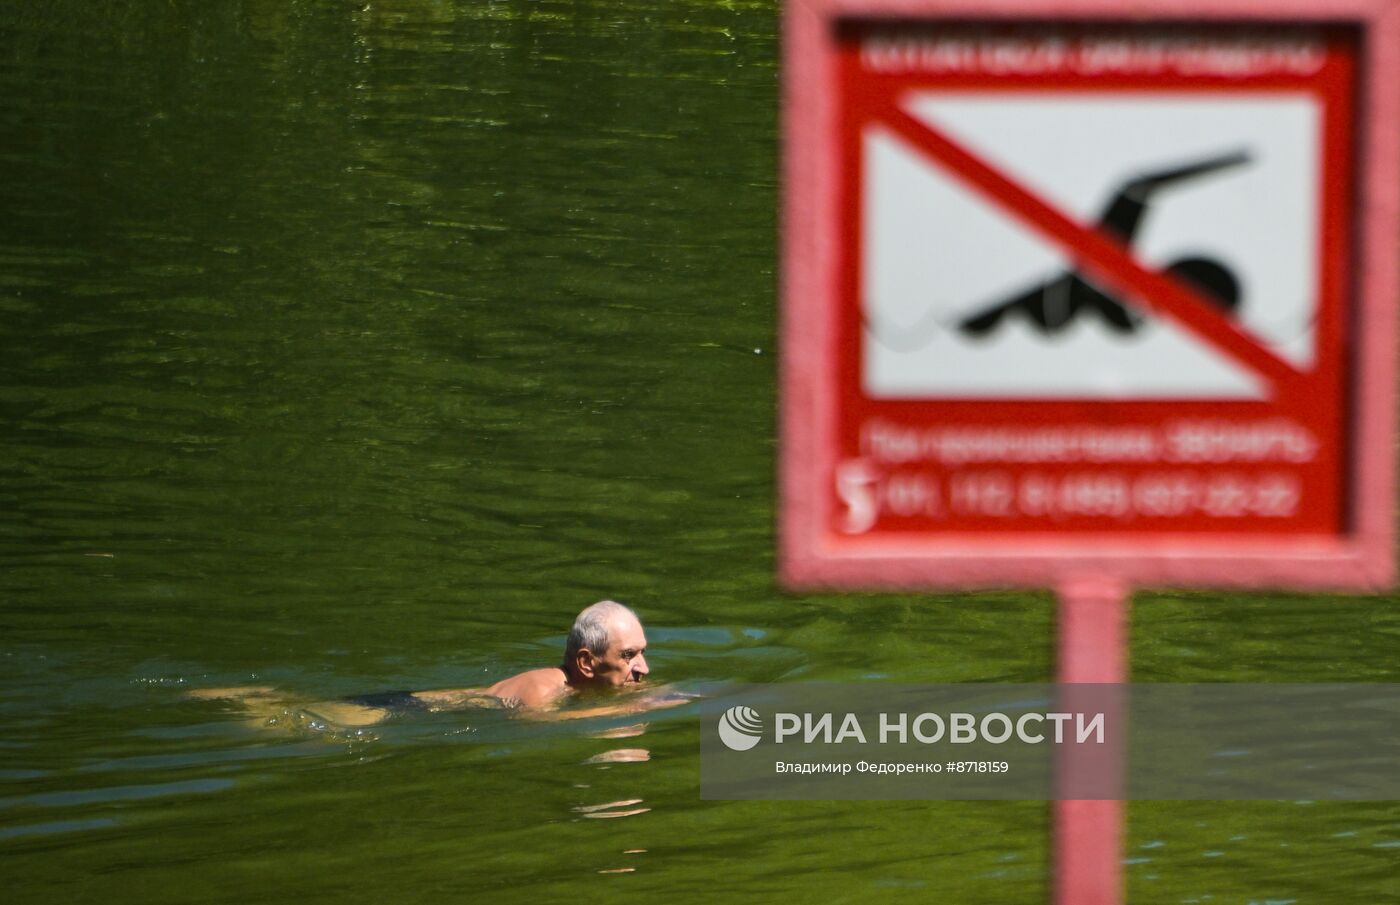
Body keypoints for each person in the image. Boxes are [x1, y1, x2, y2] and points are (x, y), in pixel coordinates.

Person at [189, 600, 656, 728]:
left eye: (642, 652)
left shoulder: (574, 689)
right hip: (396, 713)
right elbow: (541, 726)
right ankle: (223, 696)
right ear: (586, 663)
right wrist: (637, 711)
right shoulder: (544, 689)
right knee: (285, 728)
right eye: (629, 655)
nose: (644, 668)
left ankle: (245, 696)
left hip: (409, 705)